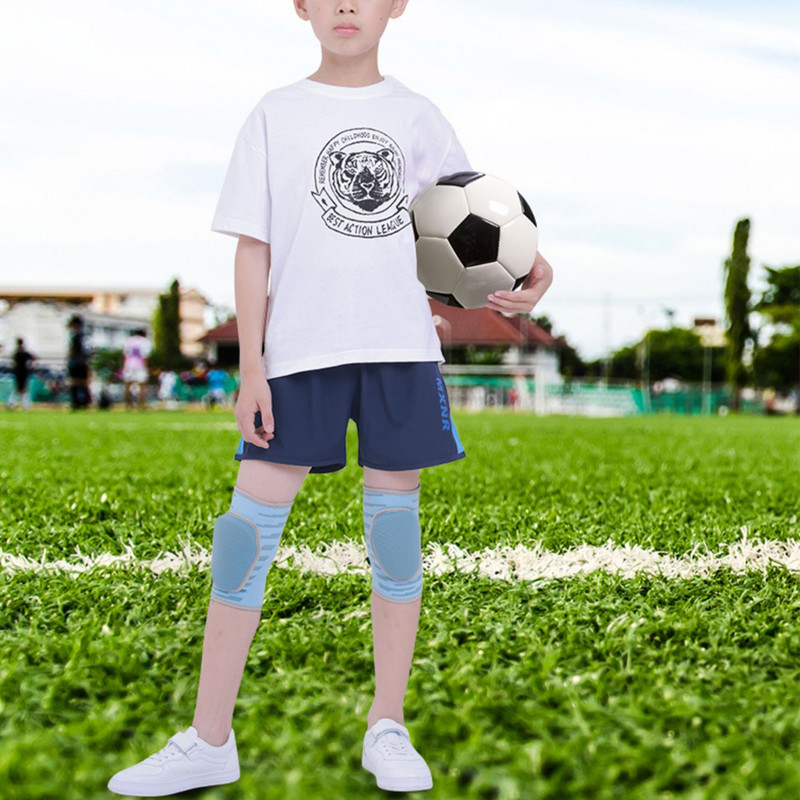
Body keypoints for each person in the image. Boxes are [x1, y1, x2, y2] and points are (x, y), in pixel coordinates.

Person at [108, 1, 553, 796]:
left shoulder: (418, 116)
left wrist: (533, 268)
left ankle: (388, 724)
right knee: (244, 537)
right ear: (303, 7)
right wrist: (251, 367)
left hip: (398, 351)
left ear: (396, 6)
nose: (348, 3)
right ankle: (210, 737)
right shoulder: (274, 115)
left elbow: (474, 215)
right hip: (298, 355)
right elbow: (254, 244)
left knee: (393, 536)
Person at [122, 328, 152, 410]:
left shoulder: (129, 340)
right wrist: (147, 367)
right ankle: (141, 404)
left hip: (129, 364)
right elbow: (144, 356)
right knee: (142, 385)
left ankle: (128, 405)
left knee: (128, 385)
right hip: (140, 365)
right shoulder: (145, 341)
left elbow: (125, 355)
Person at [66, 315, 91, 410]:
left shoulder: (76, 335)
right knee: (84, 383)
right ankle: (86, 402)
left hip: (76, 361)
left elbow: (72, 350)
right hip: (84, 362)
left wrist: (69, 359)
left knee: (75, 382)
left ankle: (76, 402)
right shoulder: (86, 335)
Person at [7, 338, 36, 410]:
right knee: (23, 389)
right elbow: (34, 358)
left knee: (19, 389)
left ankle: (12, 404)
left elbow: (13, 362)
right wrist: (32, 366)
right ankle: (25, 405)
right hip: (24, 372)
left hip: (17, 372)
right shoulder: (24, 352)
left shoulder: (16, 352)